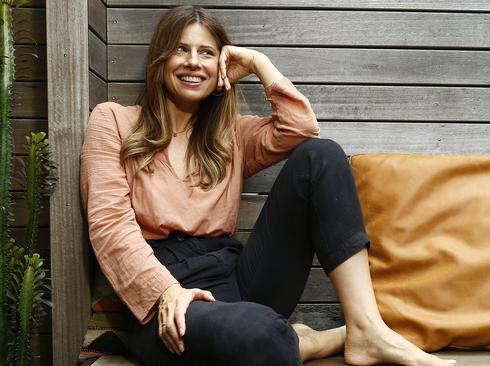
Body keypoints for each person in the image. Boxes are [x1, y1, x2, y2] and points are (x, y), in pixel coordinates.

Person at [80, 5, 456, 366]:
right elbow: (109, 226)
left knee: (321, 156)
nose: (193, 61)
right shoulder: (114, 122)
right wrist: (166, 291)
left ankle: (366, 326)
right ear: (160, 59)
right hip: (165, 294)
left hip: (237, 275)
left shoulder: (231, 134)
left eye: (207, 52)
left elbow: (301, 128)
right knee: (260, 336)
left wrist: (259, 62)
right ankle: (314, 340)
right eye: (181, 49)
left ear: (221, 67)